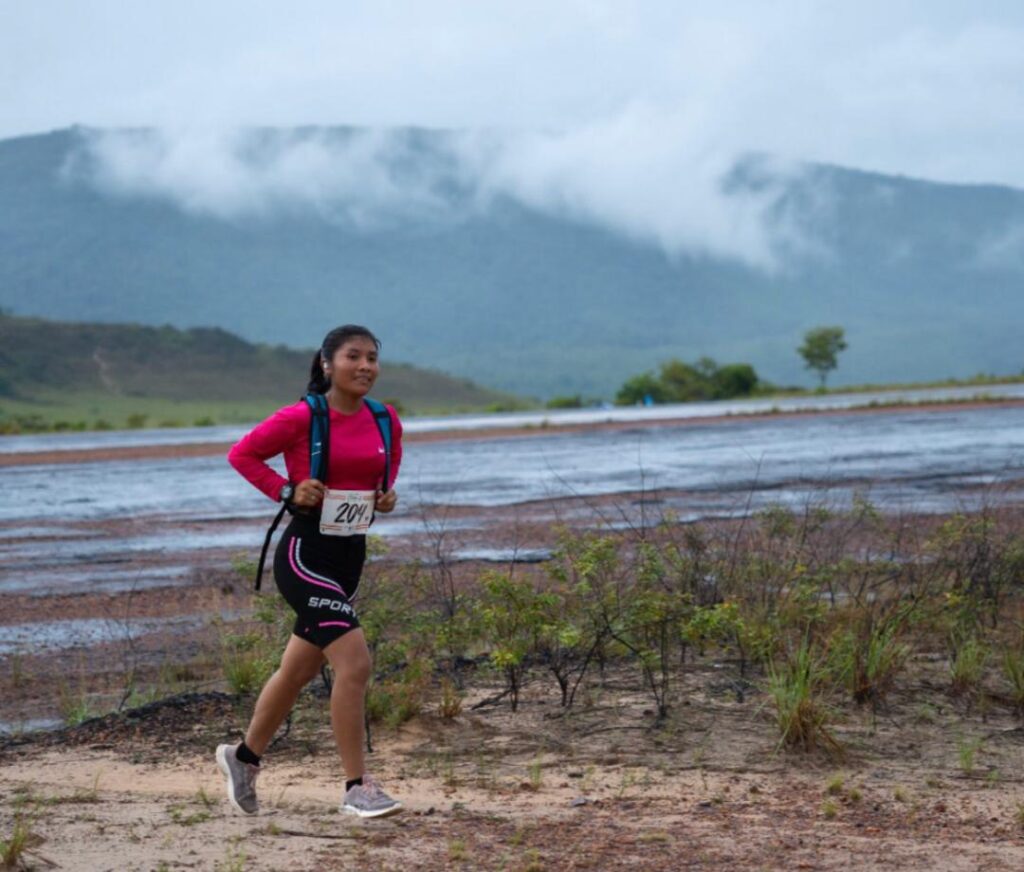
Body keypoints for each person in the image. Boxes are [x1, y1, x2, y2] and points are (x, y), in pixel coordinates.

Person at [215, 324, 404, 819]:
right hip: (304, 555)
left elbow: (380, 482)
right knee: (355, 663)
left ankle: (244, 758)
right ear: (327, 363)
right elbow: (243, 454)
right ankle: (357, 787)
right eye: (353, 357)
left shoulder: (386, 420)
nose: (365, 366)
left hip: (349, 559)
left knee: (298, 670)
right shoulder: (301, 417)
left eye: (372, 358)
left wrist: (385, 498)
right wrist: (285, 490)